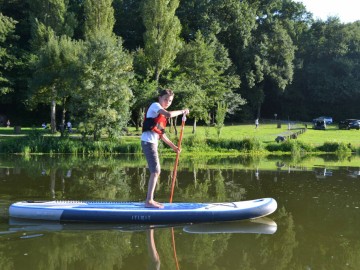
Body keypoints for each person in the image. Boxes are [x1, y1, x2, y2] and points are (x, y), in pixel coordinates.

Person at [141, 88, 189, 208]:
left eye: (170, 101)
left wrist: (174, 147)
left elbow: (161, 134)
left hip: (151, 143)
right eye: (166, 99)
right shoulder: (155, 106)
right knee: (156, 171)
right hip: (148, 143)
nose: (168, 102)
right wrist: (182, 111)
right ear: (160, 99)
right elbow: (169, 114)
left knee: (156, 171)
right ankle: (149, 201)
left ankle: (149, 200)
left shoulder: (159, 116)